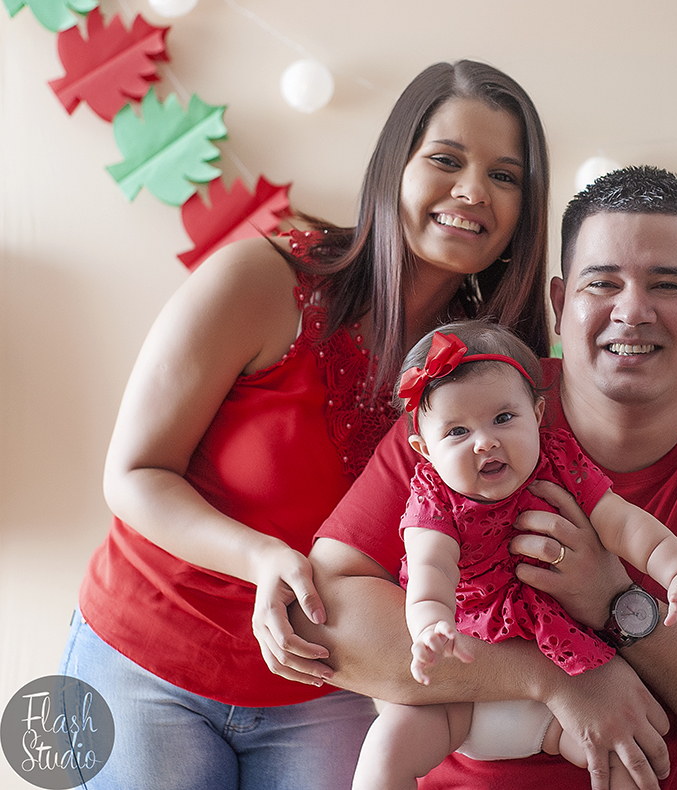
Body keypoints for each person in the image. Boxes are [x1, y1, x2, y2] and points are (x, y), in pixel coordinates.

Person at [59, 59, 552, 790]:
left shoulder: (495, 375)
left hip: (329, 692)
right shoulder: (260, 283)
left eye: (504, 177)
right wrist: (261, 558)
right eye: (446, 160)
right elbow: (133, 475)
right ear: (394, 167)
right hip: (145, 661)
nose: (472, 191)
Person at [298, 165, 677, 790]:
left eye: (667, 284)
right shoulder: (466, 411)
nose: (633, 311)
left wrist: (615, 604)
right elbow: (324, 620)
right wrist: (556, 675)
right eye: (602, 283)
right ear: (559, 304)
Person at [351, 320, 677, 790]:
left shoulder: (562, 466)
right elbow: (431, 567)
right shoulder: (435, 499)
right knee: (385, 748)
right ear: (424, 451)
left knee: (625, 758)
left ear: (537, 414)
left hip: (568, 675)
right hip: (468, 685)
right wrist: (431, 623)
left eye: (503, 418)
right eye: (457, 431)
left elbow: (627, 525)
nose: (485, 442)